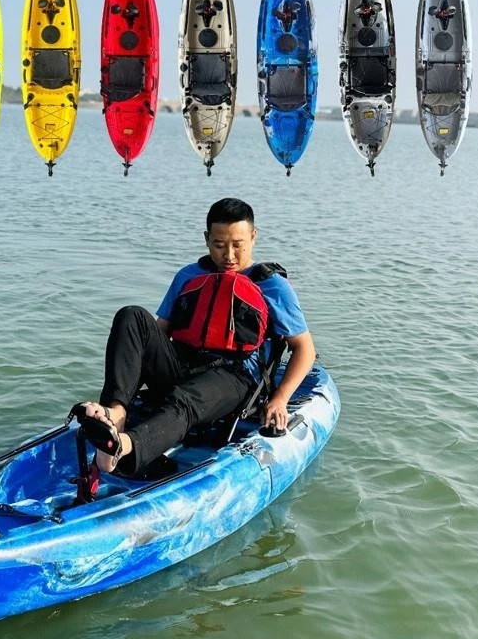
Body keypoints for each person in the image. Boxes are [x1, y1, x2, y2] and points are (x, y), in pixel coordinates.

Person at [74, 198, 316, 476]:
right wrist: (132, 383)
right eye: (219, 244)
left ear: (253, 236)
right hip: (182, 365)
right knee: (131, 316)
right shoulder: (189, 275)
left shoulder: (272, 285)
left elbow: (304, 349)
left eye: (238, 244)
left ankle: (121, 448)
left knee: (186, 398)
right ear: (206, 239)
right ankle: (115, 413)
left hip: (234, 377)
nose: (229, 255)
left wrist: (280, 399)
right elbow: (155, 334)